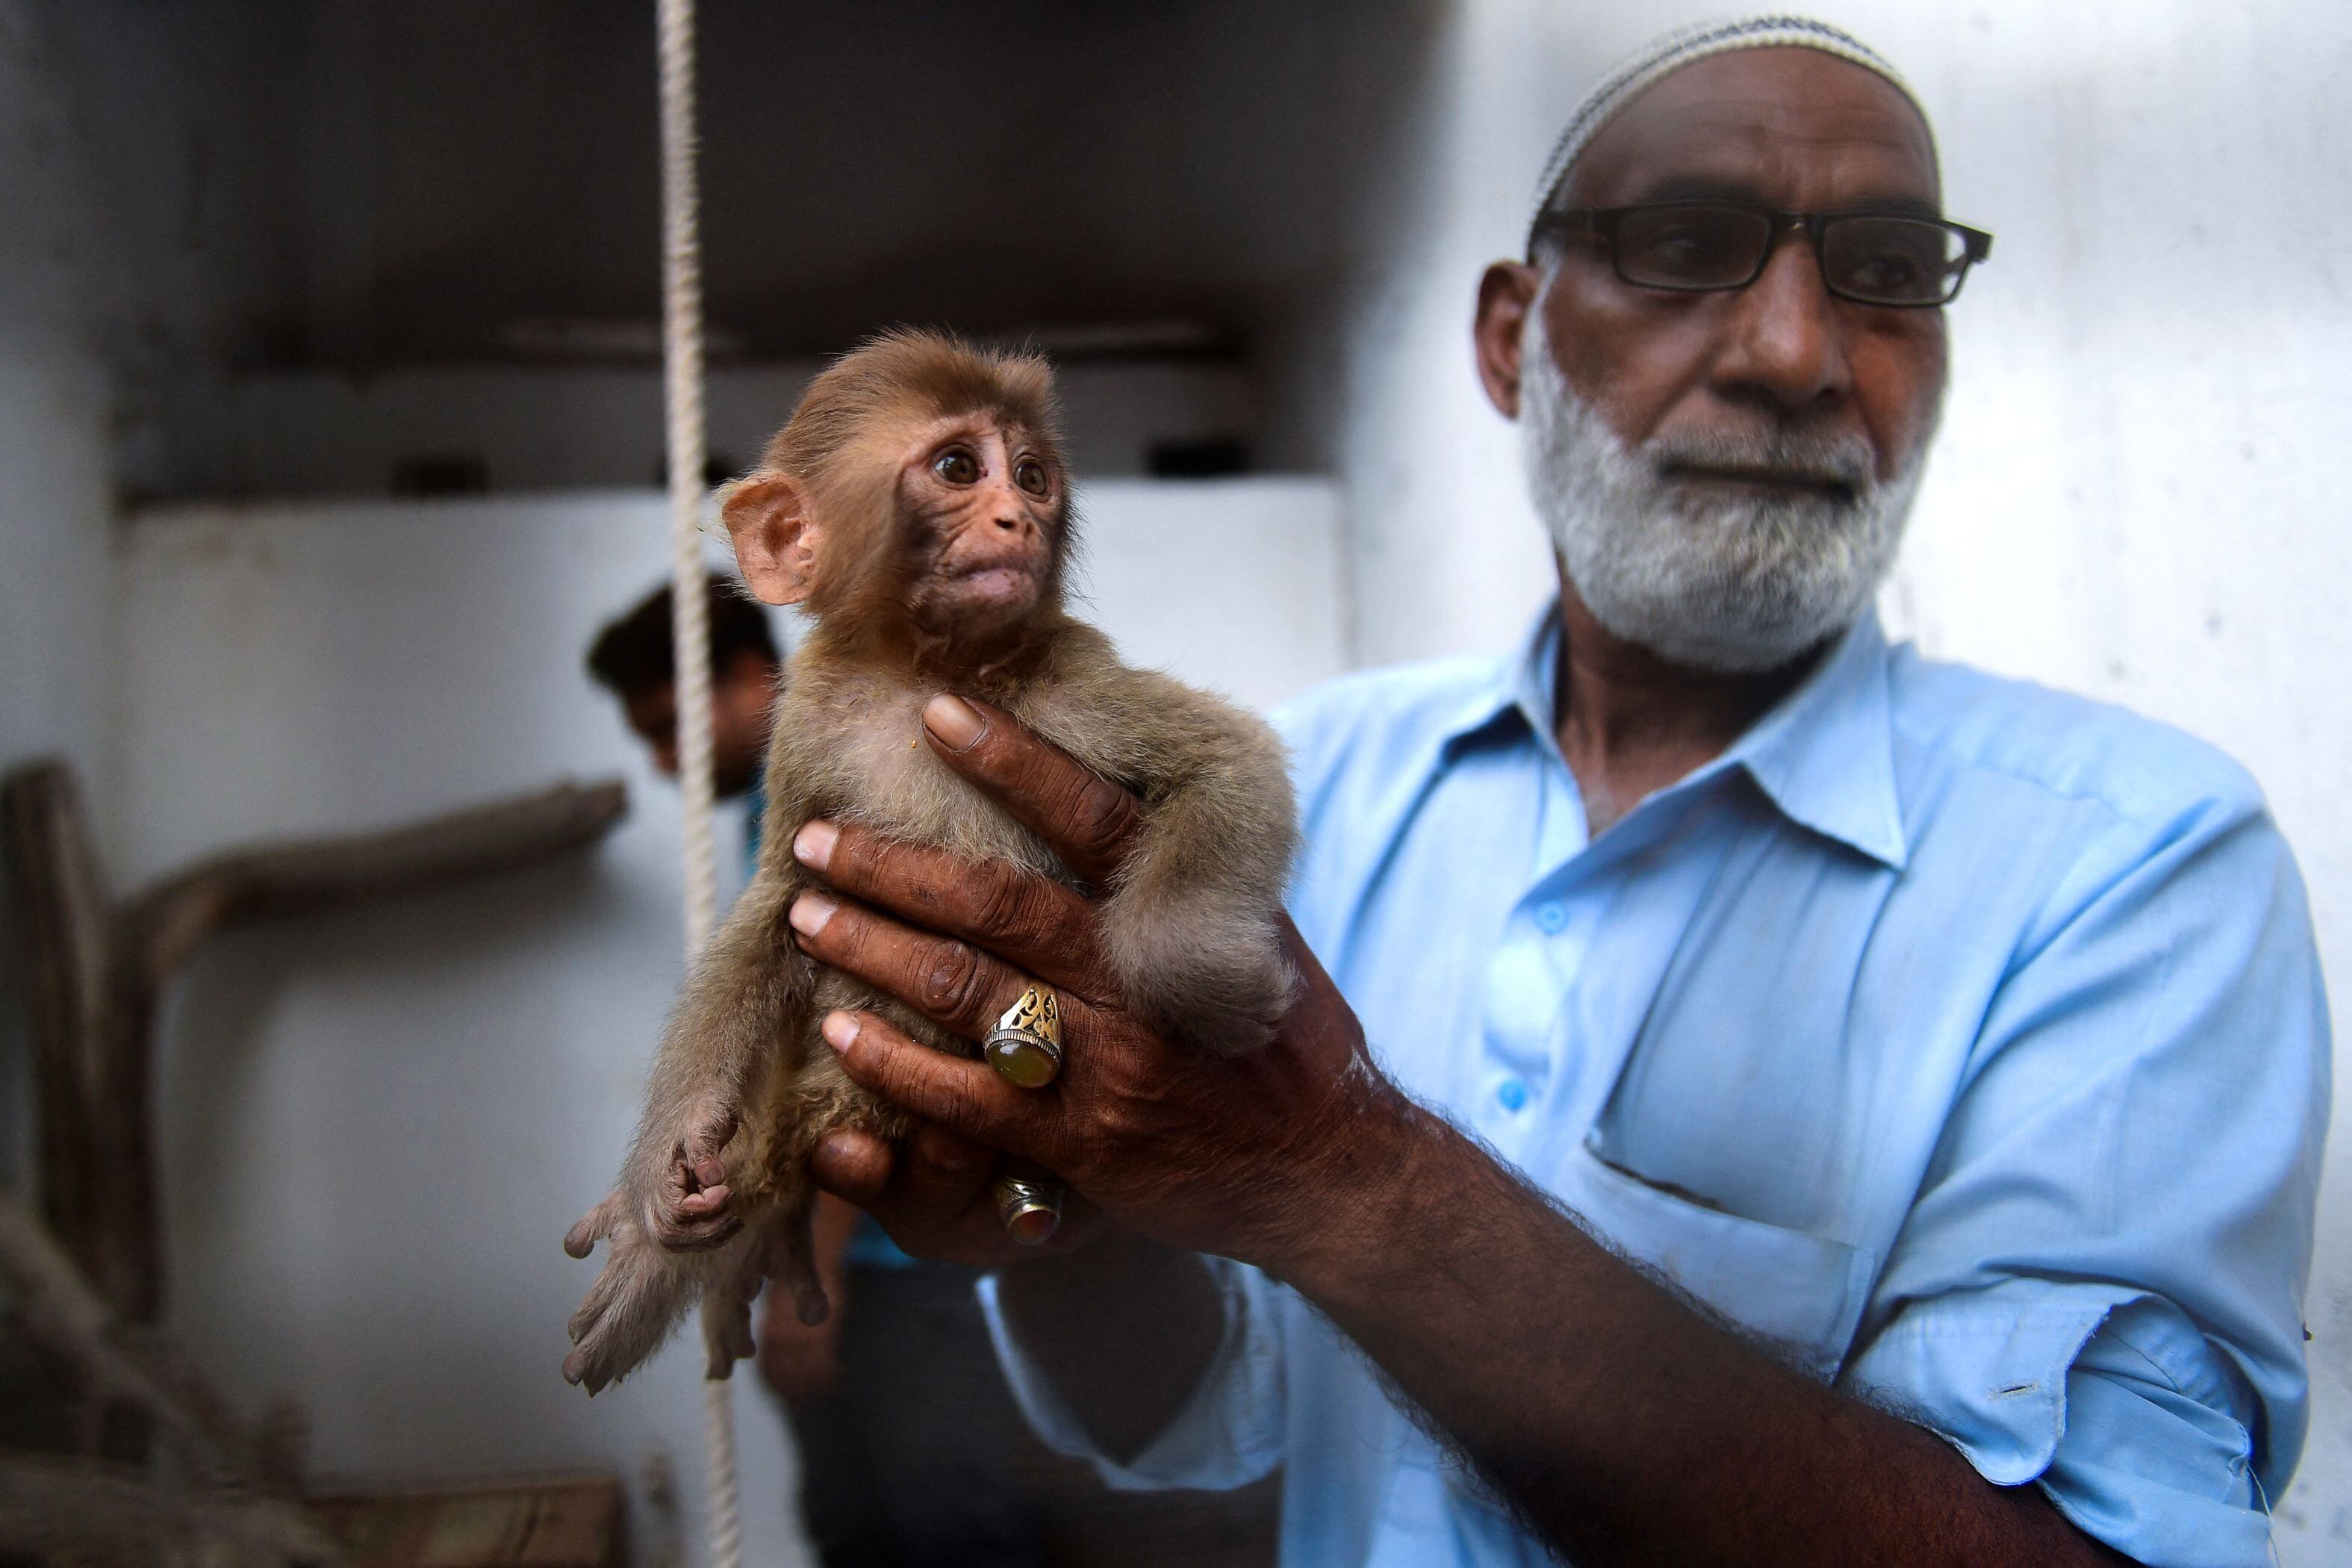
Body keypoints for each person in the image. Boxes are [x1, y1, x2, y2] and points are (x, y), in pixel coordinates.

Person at [770, 18, 2330, 1568]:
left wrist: (1341, 1174)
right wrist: (1061, 1212)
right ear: (1512, 337)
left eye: (1889, 269)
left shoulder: (2141, 869)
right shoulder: (1329, 775)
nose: (1796, 352)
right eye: (1689, 243)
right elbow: (1212, 1409)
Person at [586, 576, 1053, 1568]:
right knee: (864, 1527)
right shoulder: (777, 806)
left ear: (753, 677)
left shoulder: (831, 794)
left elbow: (858, 1046)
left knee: (950, 1532)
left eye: (672, 725)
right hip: (860, 1248)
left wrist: (820, 1278)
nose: (664, 762)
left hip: (898, 1257)